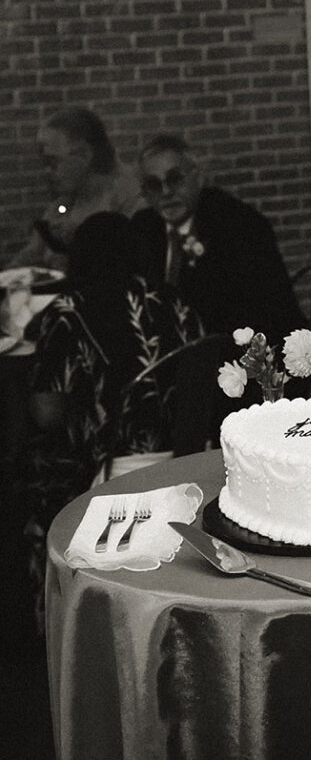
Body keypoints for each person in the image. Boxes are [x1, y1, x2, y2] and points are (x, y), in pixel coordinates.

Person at [20, 211, 204, 625]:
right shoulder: (172, 300)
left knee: (27, 470)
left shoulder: (69, 311)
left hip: (107, 467)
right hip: (186, 457)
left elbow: (47, 412)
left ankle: (59, 614)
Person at [129, 134, 306, 348]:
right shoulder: (142, 230)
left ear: (198, 177)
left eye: (175, 179)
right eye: (154, 185)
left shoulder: (237, 225)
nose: (166, 192)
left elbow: (264, 313)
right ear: (145, 194)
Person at [5, 108, 142, 272]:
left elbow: (129, 265)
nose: (47, 171)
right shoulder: (65, 201)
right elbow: (33, 252)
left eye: (52, 161)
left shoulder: (130, 199)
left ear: (84, 154)